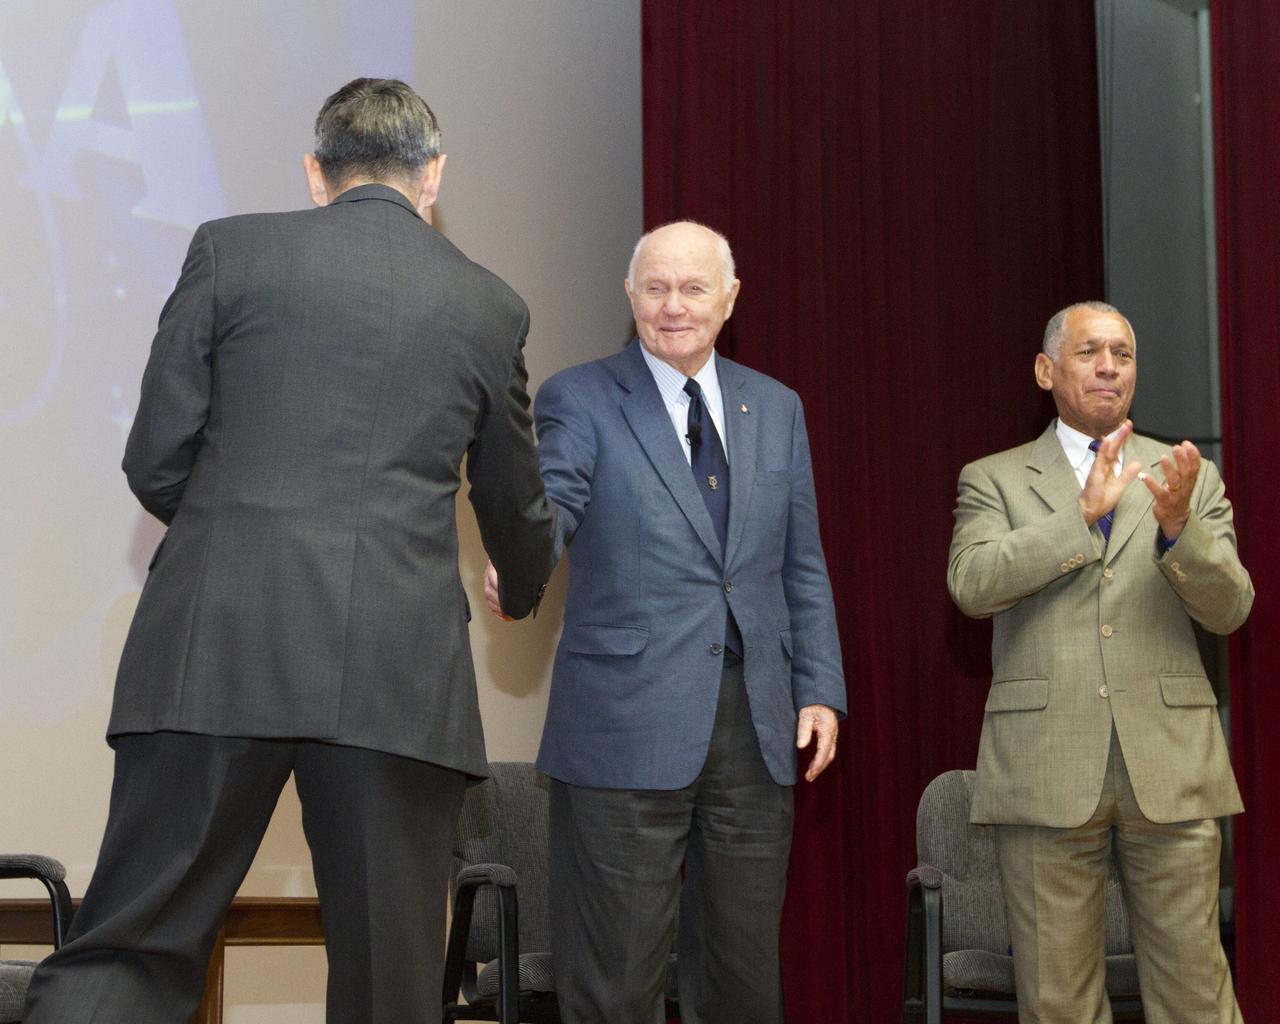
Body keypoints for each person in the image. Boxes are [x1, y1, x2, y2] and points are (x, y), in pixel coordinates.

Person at [24, 78, 554, 1024]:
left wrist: (231, 538)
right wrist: (518, 583)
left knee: (128, 954)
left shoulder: (231, 251)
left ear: (317, 173)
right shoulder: (488, 304)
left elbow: (154, 456)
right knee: (390, 982)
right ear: (433, 176)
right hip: (394, 673)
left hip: (212, 648)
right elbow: (514, 501)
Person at [485, 221, 846, 1024]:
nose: (673, 307)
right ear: (629, 296)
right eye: (655, 288)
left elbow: (801, 563)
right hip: (624, 724)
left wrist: (818, 689)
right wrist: (521, 554)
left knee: (745, 979)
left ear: (730, 299)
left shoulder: (776, 406)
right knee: (617, 978)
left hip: (756, 726)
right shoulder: (580, 397)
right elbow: (556, 499)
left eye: (691, 288)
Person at [948, 301, 1253, 1023]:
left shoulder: (1186, 476)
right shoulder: (992, 478)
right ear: (1046, 370)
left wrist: (1179, 530)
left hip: (1172, 764)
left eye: (1122, 353)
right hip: (1046, 764)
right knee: (1059, 1000)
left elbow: (1231, 607)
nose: (1109, 366)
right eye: (1089, 352)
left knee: (1197, 994)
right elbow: (972, 586)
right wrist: (1077, 518)